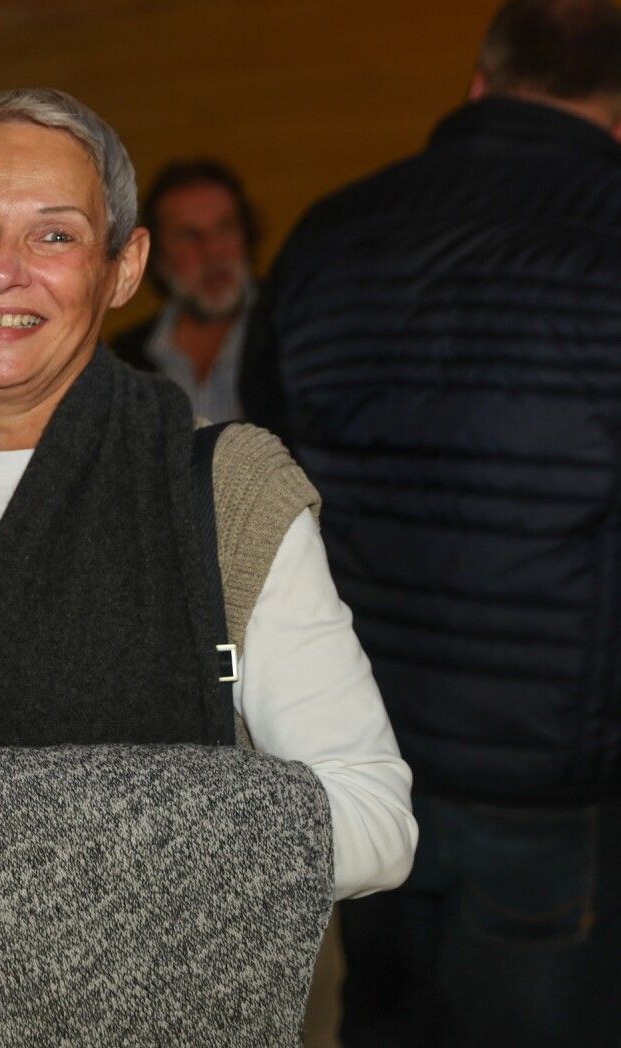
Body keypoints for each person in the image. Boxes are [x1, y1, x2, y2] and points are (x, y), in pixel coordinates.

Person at [0, 88, 418, 1047]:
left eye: (54, 236)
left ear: (124, 268)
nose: (2, 269)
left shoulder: (221, 491)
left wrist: (31, 834)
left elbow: (378, 822)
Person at [240, 1, 621, 1043]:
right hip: (552, 782)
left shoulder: (333, 233)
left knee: (386, 1016)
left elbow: (269, 480)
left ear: (479, 83)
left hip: (370, 751)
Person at [109, 159, 259, 422]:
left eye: (224, 228)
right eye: (189, 236)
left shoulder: (293, 331)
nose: (213, 252)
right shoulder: (124, 359)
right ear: (156, 256)